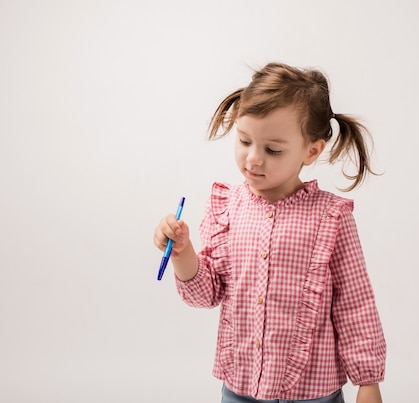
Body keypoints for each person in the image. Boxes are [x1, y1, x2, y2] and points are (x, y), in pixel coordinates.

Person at [153, 62, 386, 403]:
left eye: (272, 149)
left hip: (312, 391)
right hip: (241, 387)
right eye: (244, 141)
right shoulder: (227, 208)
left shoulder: (331, 217)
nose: (253, 159)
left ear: (312, 150)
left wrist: (368, 382)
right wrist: (182, 252)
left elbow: (355, 304)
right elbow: (207, 293)